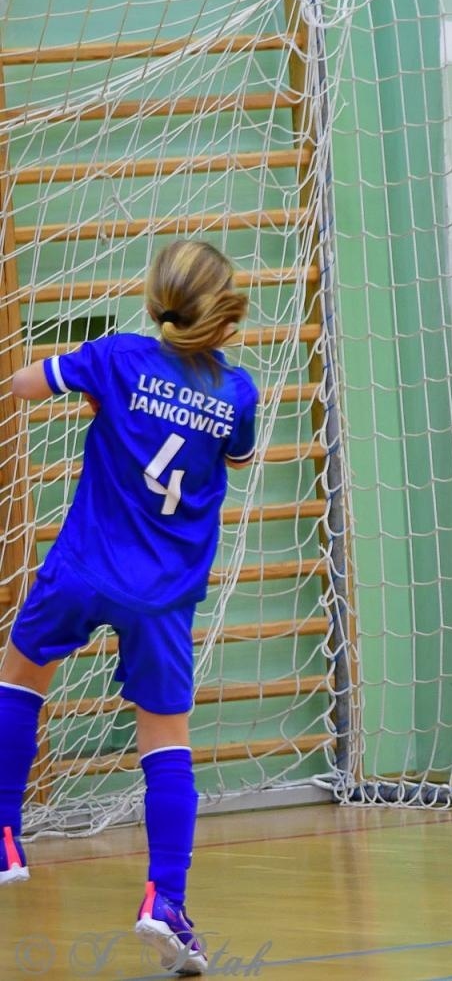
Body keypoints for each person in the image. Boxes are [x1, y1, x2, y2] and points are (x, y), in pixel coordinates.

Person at [0, 239, 258, 975]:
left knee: (19, 680)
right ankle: (164, 900)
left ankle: (4, 832)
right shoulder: (235, 394)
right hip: (164, 596)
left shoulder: (113, 358)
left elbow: (23, 384)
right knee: (165, 745)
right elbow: (230, 459)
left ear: (155, 300)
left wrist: (84, 390)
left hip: (82, 569)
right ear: (222, 314)